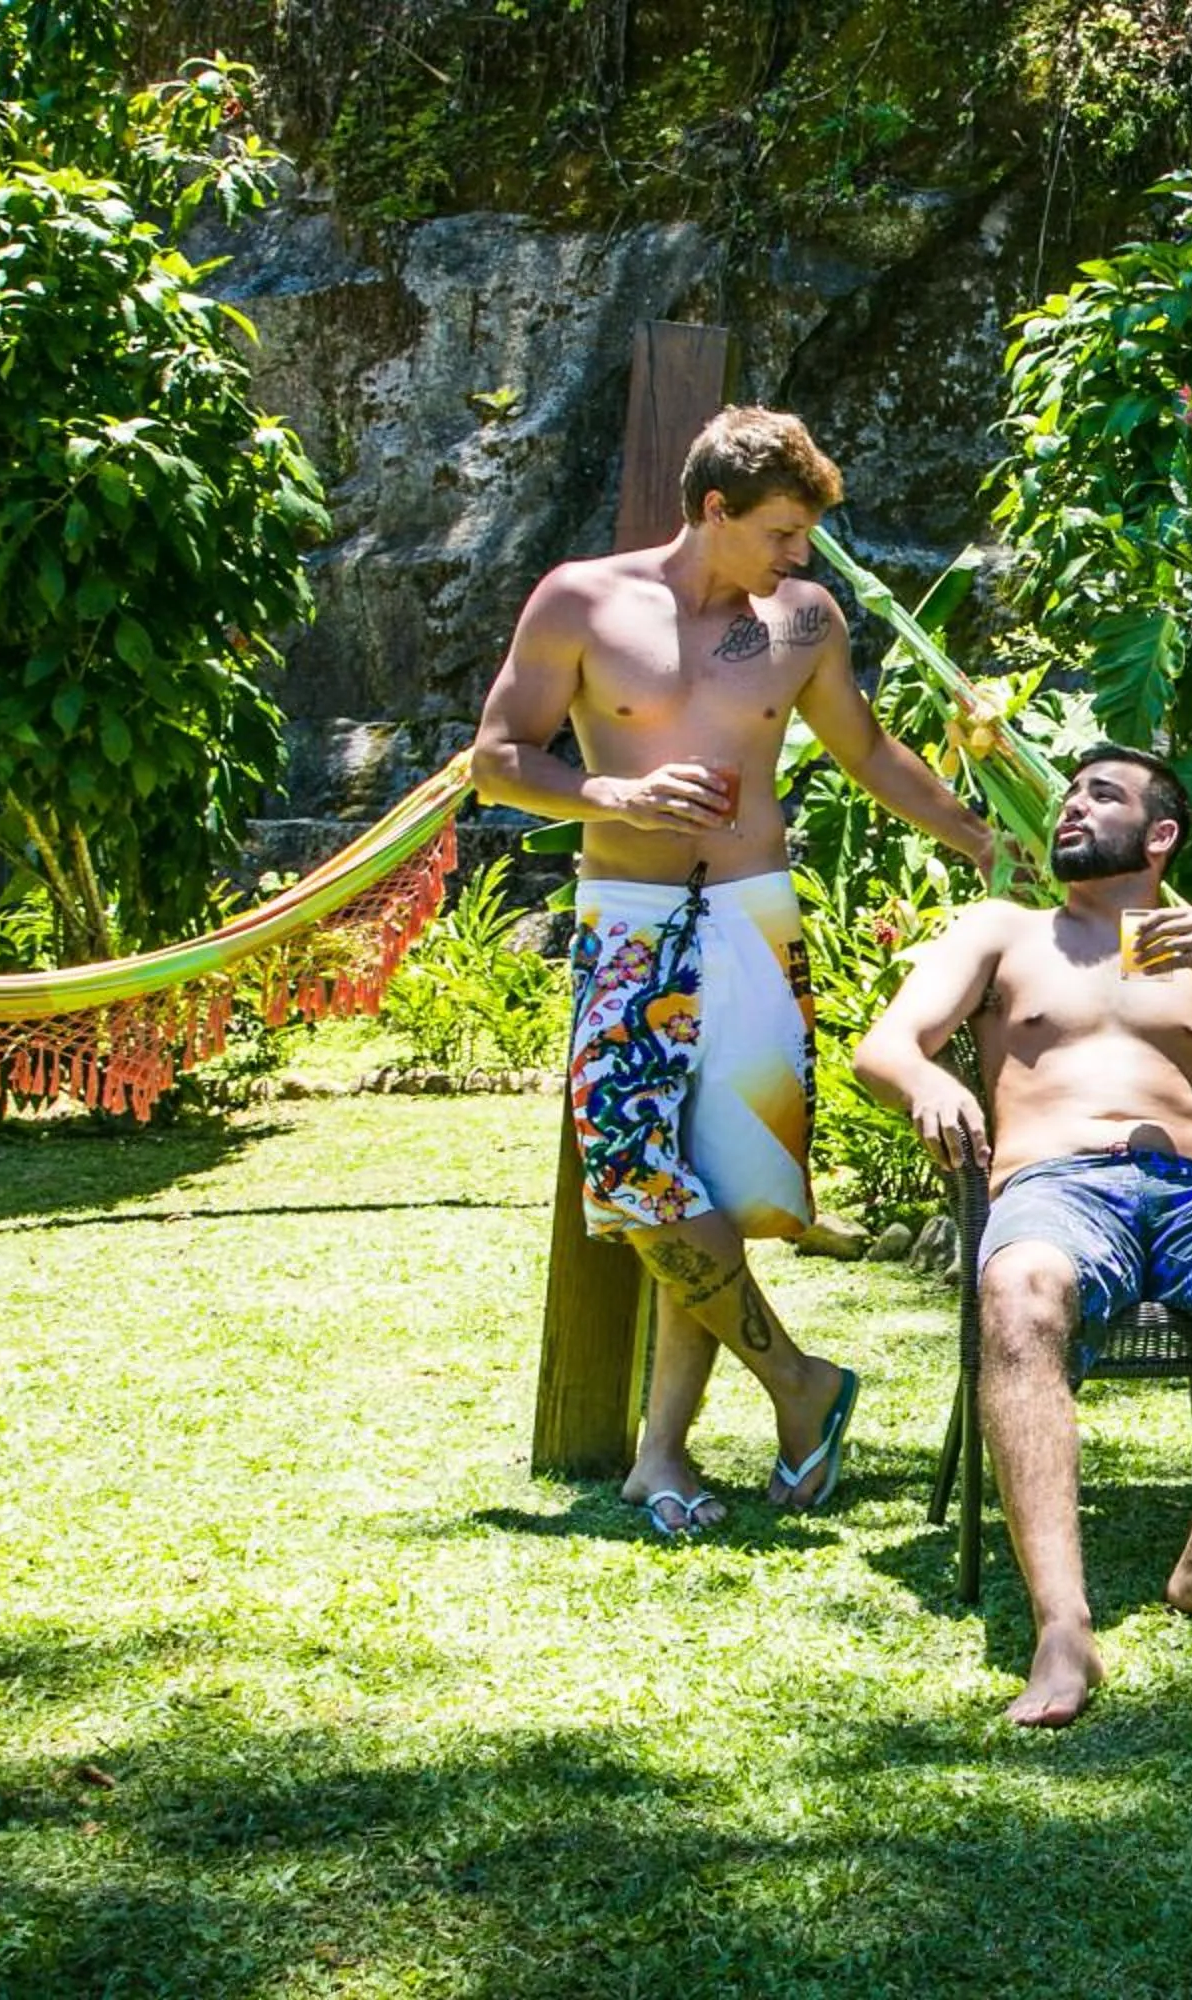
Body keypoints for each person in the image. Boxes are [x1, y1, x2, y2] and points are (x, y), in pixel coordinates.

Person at [470, 406, 995, 1537]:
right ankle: (800, 1381)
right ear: (714, 510)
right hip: (628, 922)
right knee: (637, 1177)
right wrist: (612, 794)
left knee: (716, 1182)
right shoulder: (581, 600)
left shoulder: (802, 618)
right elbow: (497, 758)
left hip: (756, 923)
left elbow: (865, 750)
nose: (798, 556)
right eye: (779, 531)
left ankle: (663, 1452)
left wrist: (987, 839)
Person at [851, 747, 1192, 1727]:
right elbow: (883, 1044)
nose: (1071, 808)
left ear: (1161, 834)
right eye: (1070, 793)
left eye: (1102, 795)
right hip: (1057, 1182)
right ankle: (1062, 1625)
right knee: (1020, 1289)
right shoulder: (1005, 930)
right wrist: (926, 1078)